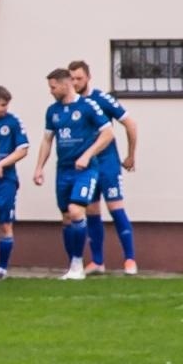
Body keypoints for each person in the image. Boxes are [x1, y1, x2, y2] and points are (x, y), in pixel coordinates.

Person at [32, 68, 115, 281]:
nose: (50, 91)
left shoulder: (88, 106)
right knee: (67, 218)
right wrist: (39, 167)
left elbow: (108, 133)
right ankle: (73, 265)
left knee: (77, 211)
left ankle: (78, 264)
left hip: (85, 169)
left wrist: (87, 155)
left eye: (53, 87)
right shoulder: (53, 111)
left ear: (65, 83)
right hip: (64, 170)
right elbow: (47, 140)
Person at [69, 60, 140, 275]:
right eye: (71, 79)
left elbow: (130, 123)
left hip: (107, 163)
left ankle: (130, 259)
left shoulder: (101, 99)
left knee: (115, 207)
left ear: (88, 77)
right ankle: (98, 261)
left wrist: (130, 155)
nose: (75, 82)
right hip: (86, 166)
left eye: (79, 78)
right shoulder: (70, 104)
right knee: (91, 210)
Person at [0, 85, 30, 281]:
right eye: (2, 105)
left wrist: (1, 164)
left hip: (6, 181)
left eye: (7, 104)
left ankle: (2, 268)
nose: (5, 108)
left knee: (5, 223)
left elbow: (22, 149)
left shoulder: (12, 122)